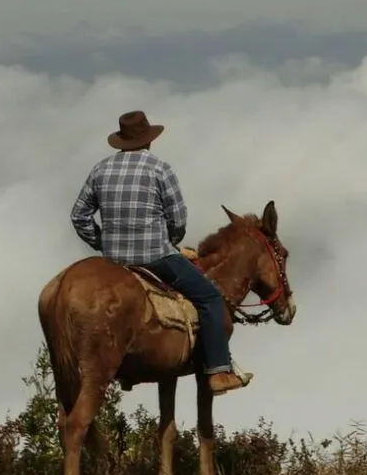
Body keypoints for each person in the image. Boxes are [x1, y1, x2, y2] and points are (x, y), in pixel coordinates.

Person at [69, 110, 251, 395]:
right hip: (157, 256)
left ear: (120, 141)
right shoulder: (159, 168)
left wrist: (103, 243)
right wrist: (171, 241)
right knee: (211, 298)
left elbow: (79, 216)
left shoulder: (100, 169)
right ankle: (218, 372)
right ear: (149, 140)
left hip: (113, 261)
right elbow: (178, 219)